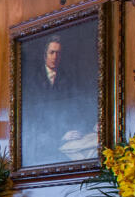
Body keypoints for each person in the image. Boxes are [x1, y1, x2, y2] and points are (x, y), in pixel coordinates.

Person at [23, 34, 98, 165]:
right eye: (52, 52)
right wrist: (61, 135)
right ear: (45, 55)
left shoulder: (68, 77)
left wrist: (93, 123)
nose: (55, 57)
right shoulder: (31, 80)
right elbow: (33, 121)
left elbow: (79, 105)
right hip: (44, 143)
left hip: (69, 136)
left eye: (58, 53)